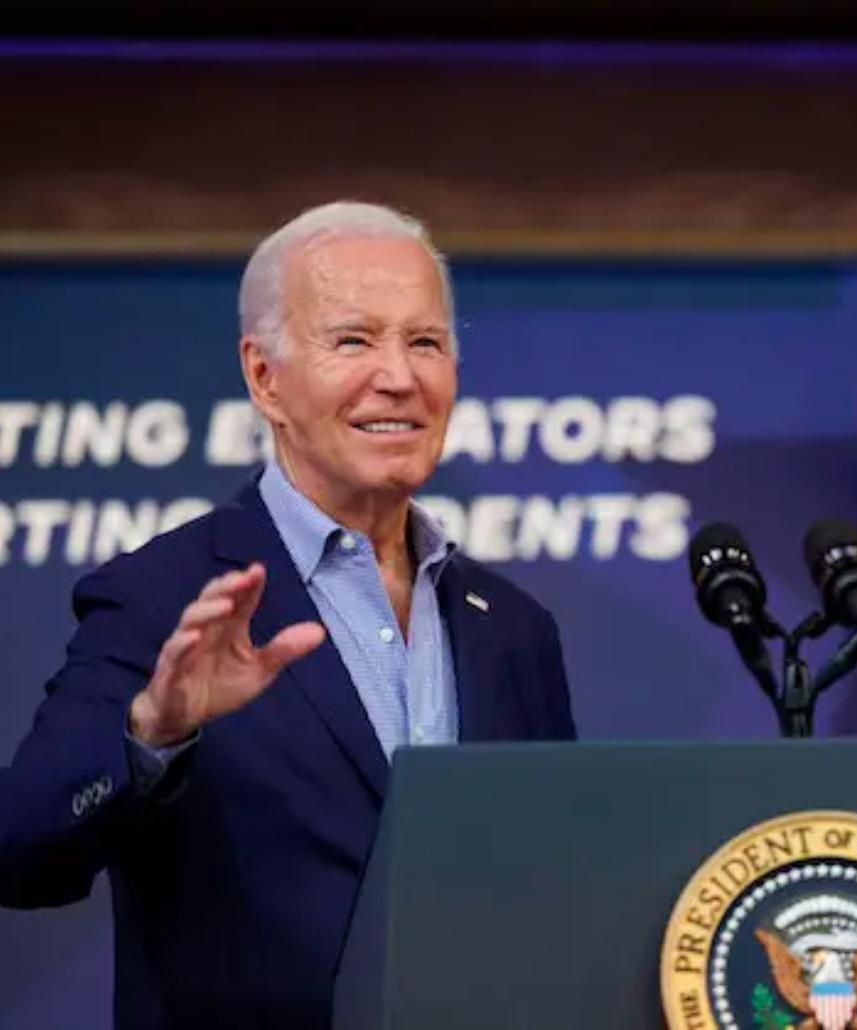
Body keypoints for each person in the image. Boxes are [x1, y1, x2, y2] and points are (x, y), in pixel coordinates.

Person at [0, 202, 576, 1029]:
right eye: (353, 340)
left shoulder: (513, 628)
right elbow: (21, 854)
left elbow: (554, 896)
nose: (399, 377)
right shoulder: (162, 597)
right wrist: (151, 737)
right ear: (265, 377)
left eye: (425, 342)